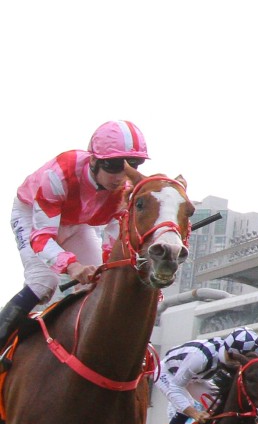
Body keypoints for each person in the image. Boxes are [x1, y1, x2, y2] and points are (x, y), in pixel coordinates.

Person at [0, 121, 149, 349]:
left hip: (77, 222)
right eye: (112, 165)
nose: (120, 176)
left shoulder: (126, 190)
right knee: (43, 283)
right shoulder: (58, 175)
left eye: (131, 165)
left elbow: (113, 242)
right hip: (33, 218)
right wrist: (73, 267)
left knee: (100, 283)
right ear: (93, 160)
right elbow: (42, 238)